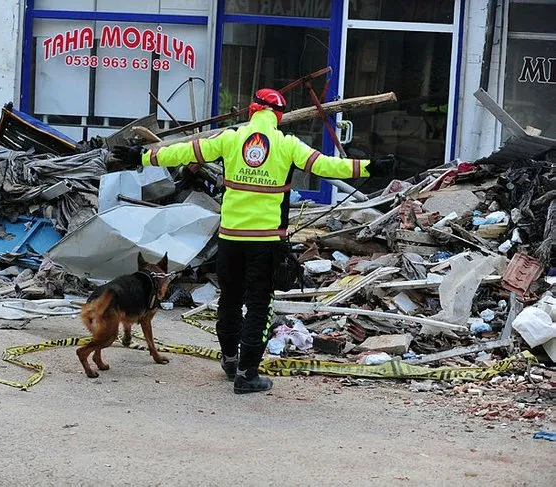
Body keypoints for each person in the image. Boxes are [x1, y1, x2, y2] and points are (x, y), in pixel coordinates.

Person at [108, 88, 396, 394]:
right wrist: (370, 166)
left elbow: (185, 151)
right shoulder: (287, 145)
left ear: (251, 112)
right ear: (279, 117)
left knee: (229, 300)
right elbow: (326, 166)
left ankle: (230, 361)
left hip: (230, 239)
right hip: (265, 241)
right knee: (259, 305)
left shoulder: (231, 139)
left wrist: (141, 155)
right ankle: (247, 374)